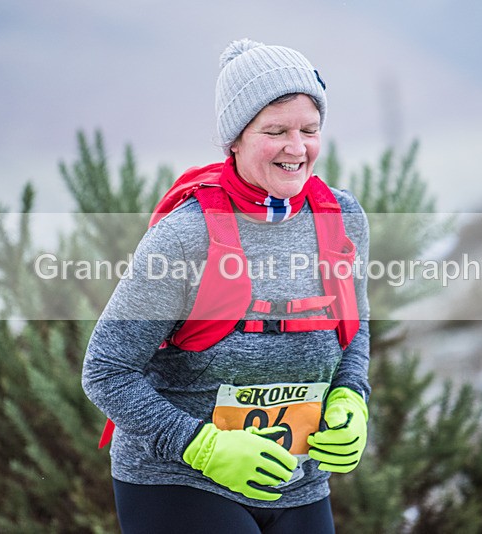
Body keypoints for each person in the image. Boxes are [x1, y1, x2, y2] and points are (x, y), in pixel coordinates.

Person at [82, 38, 371, 534]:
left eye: (309, 129)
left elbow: (352, 331)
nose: (297, 148)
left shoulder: (342, 218)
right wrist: (202, 445)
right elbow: (106, 372)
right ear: (234, 138)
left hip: (299, 483)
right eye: (275, 131)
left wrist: (351, 397)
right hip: (177, 482)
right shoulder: (186, 235)